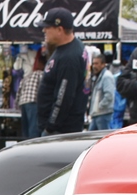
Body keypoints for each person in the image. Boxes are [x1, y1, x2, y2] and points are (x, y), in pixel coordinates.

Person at [36, 8, 87, 137]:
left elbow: (63, 97)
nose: (44, 30)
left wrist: (50, 127)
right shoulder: (69, 49)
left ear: (60, 30)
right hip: (61, 129)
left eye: (47, 27)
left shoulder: (69, 57)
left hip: (60, 131)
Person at [15, 46, 45, 139]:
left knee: (25, 128)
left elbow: (19, 90)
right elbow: (43, 90)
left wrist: (17, 103)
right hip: (33, 102)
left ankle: (25, 145)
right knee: (33, 128)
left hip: (23, 103)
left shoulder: (28, 76)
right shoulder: (41, 74)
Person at [88, 51, 115, 130]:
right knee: (91, 137)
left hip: (103, 114)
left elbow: (109, 96)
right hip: (97, 114)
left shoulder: (106, 76)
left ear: (103, 64)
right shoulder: (98, 76)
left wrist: (99, 106)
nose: (94, 66)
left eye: (97, 63)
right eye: (93, 63)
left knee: (103, 138)